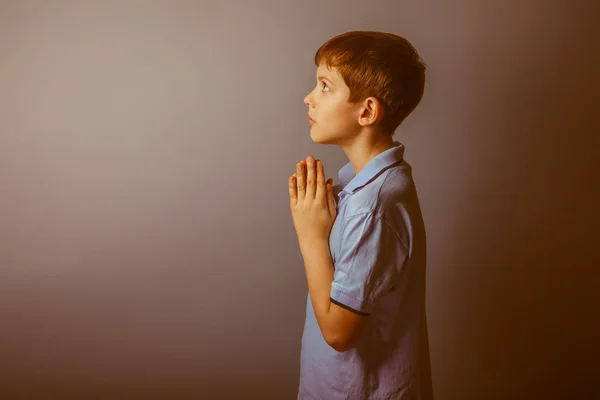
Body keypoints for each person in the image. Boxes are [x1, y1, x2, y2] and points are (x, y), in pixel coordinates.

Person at [288, 30, 433, 399]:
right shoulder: (369, 185)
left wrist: (310, 236)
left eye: (324, 86)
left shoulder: (373, 206)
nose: (308, 98)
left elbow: (340, 332)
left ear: (367, 111)